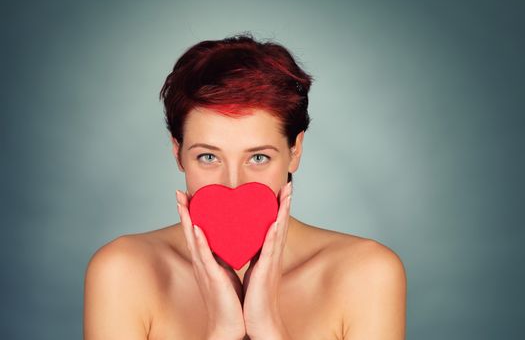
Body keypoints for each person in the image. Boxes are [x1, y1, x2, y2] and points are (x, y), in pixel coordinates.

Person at [83, 33, 407, 340]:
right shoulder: (123, 272)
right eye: (209, 156)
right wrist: (222, 331)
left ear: (295, 151)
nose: (233, 184)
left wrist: (268, 327)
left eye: (259, 158)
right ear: (178, 153)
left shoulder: (366, 274)